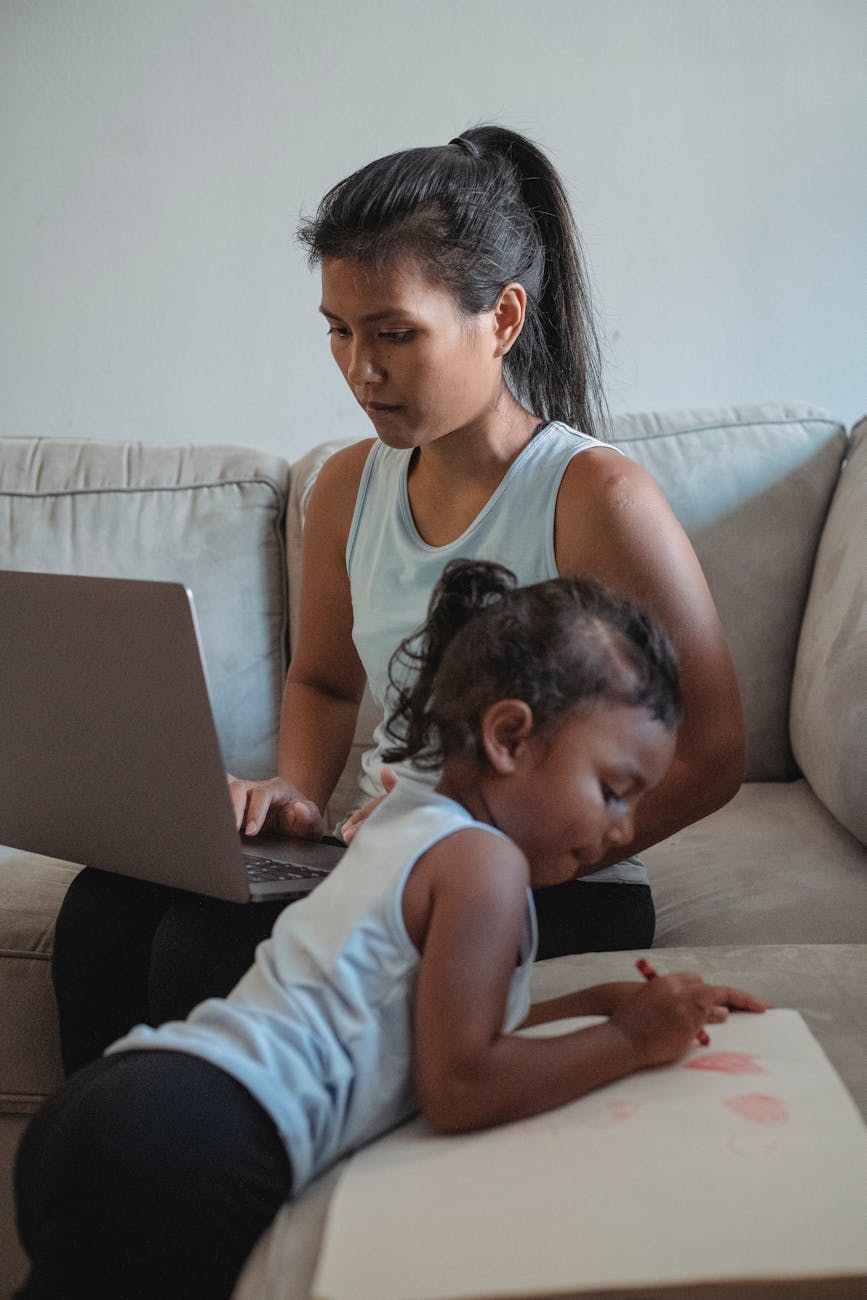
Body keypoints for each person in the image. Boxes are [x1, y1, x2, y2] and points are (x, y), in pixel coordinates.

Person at [51, 125, 744, 1075]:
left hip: (545, 876)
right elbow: (327, 680)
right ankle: (111, 1194)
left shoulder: (598, 499)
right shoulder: (347, 487)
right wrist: (294, 789)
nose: (358, 369)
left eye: (393, 334)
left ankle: (236, 1202)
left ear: (500, 319)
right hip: (381, 853)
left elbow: (712, 751)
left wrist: (518, 849)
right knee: (104, 904)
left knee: (205, 952)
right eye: (338, 331)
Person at [15, 561, 766, 1300]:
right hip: (197, 1146)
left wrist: (603, 1003)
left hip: (134, 1099)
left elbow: (427, 1033)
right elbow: (461, 1085)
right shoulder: (485, 865)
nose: (623, 828)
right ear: (509, 736)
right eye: (611, 790)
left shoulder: (404, 825)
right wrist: (632, 1042)